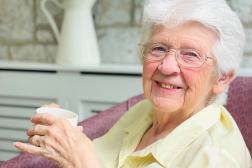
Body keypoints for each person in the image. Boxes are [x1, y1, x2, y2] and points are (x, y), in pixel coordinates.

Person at [14, 0, 252, 167]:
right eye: (159, 48)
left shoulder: (217, 158)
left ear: (222, 78)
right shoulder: (144, 113)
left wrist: (79, 161)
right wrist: (63, 134)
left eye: (191, 55)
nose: (167, 67)